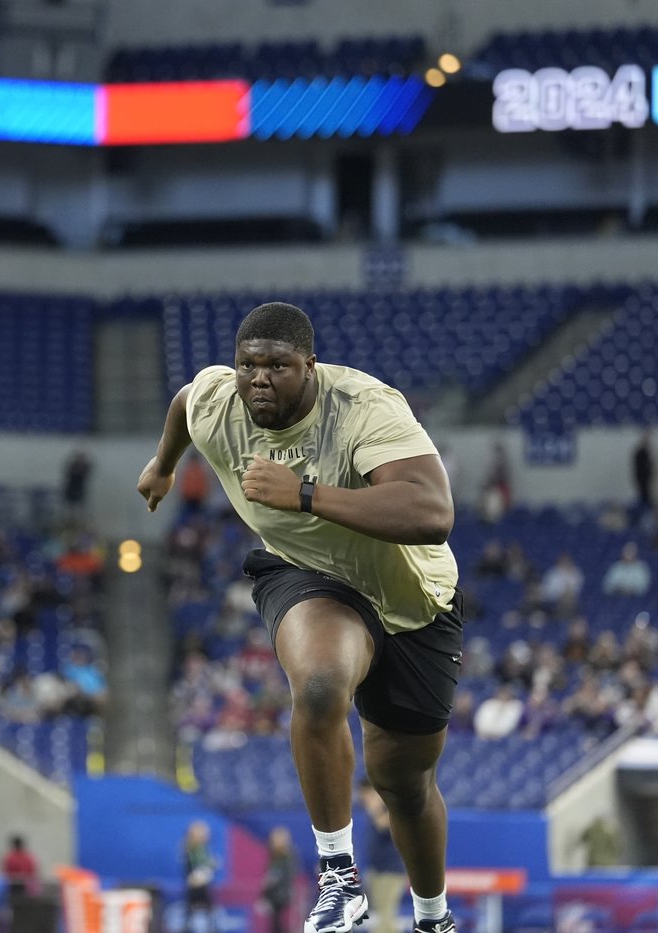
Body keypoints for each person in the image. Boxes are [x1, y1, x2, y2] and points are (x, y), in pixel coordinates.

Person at [138, 302, 461, 933]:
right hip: (305, 573)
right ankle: (339, 878)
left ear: (310, 366)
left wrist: (303, 494)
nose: (259, 379)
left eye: (278, 367)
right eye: (248, 365)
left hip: (414, 598)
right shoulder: (218, 403)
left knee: (403, 783)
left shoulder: (363, 407)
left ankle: (433, 918)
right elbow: (183, 403)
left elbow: (433, 512)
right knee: (317, 685)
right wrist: (164, 465)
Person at [359, 780, 407, 933]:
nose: (363, 798)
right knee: (384, 918)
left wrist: (376, 808)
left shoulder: (390, 808)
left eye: (366, 794)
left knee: (385, 917)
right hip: (377, 870)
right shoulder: (374, 811)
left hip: (391, 871)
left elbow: (384, 826)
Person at [181, 821, 217, 933]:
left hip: (203, 885)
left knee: (208, 911)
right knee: (193, 911)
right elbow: (194, 867)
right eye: (204, 833)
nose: (207, 835)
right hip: (195, 885)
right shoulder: (192, 849)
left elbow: (207, 864)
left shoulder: (203, 848)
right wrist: (208, 867)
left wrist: (211, 865)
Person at [261, 827, 298, 933]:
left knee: (278, 922)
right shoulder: (274, 855)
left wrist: (269, 885)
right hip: (274, 893)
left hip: (281, 893)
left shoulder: (287, 856)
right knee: (275, 922)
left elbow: (285, 875)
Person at [0, 834, 39, 903]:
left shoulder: (9, 858)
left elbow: (5, 874)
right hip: (25, 888)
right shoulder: (28, 858)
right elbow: (33, 873)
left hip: (13, 888)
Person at [632, 430, 654, 513]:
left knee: (647, 494)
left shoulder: (647, 453)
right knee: (644, 494)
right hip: (642, 478)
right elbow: (640, 467)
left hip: (646, 478)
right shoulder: (640, 452)